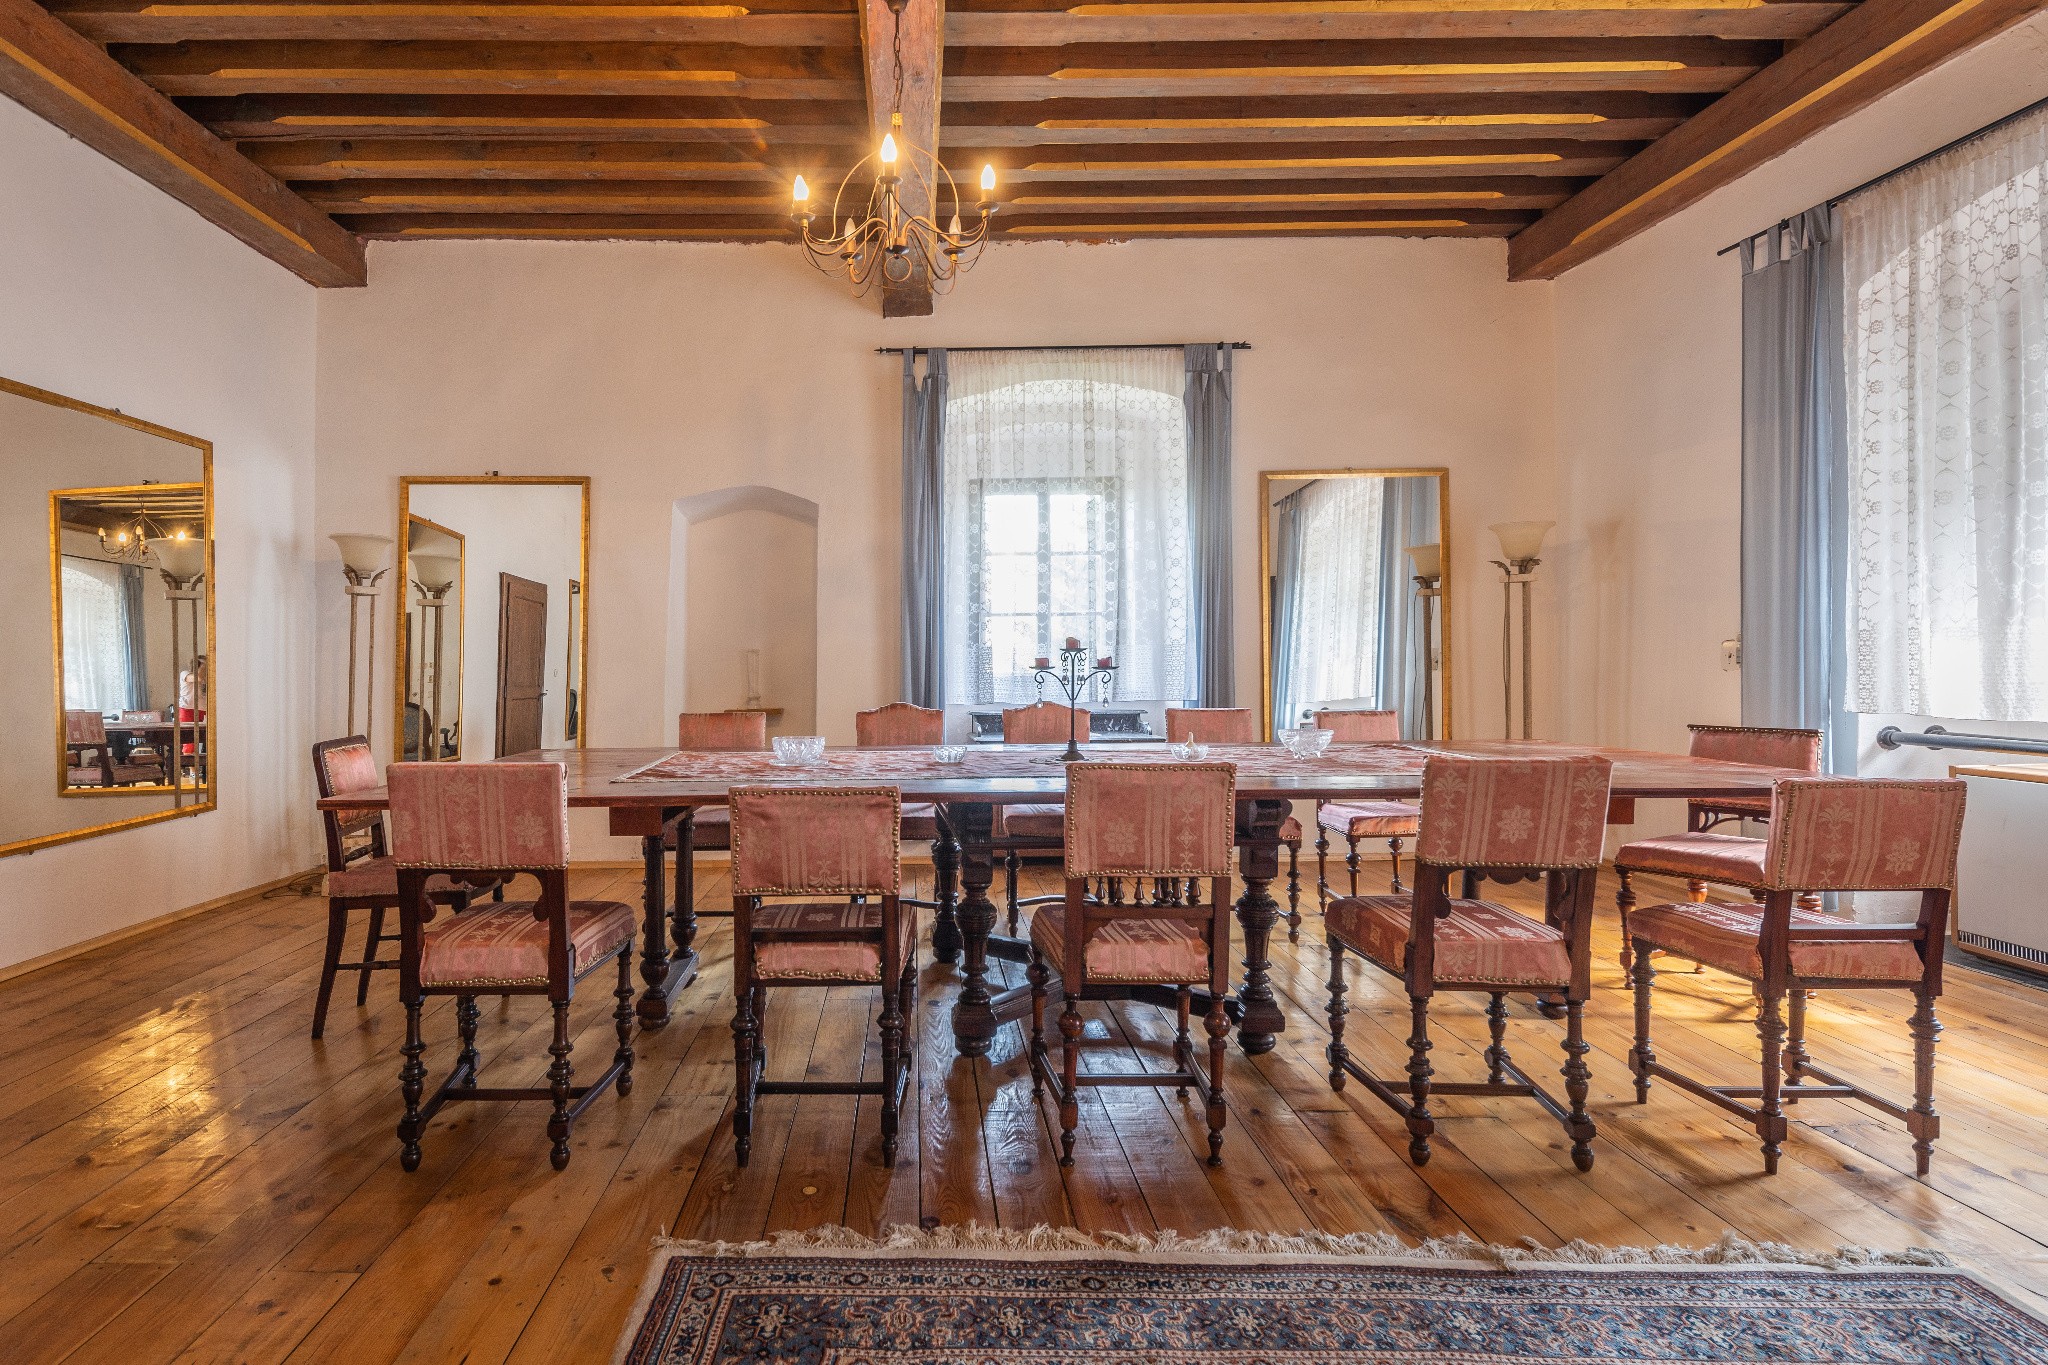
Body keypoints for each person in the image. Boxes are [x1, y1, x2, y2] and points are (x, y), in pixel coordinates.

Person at [178, 655, 207, 777]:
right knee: (189, 740)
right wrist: (204, 665)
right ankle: (193, 771)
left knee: (205, 738)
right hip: (187, 709)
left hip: (203, 709)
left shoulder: (206, 678)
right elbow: (198, 678)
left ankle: (205, 768)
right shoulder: (185, 674)